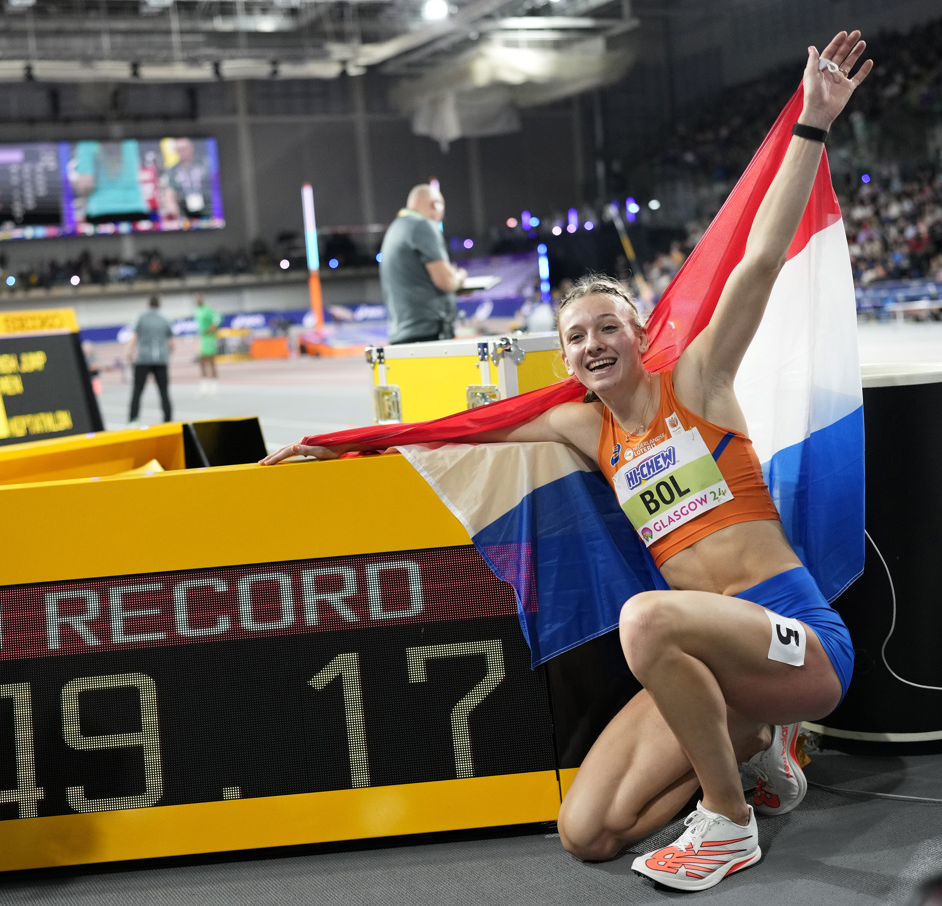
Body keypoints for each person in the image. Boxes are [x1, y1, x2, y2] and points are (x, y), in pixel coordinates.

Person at [263, 32, 871, 891]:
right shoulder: (584, 429)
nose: (593, 343)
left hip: (795, 643)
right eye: (576, 336)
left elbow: (760, 260)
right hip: (704, 668)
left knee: (644, 620)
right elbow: (461, 431)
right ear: (567, 361)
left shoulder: (698, 381)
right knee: (588, 832)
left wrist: (812, 123)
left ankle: (730, 820)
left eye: (608, 326)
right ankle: (745, 747)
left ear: (641, 334)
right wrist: (335, 445)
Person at [379, 184, 468, 344]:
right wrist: (460, 278)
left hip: (403, 333)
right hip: (427, 332)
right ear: (434, 204)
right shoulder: (421, 226)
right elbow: (446, 281)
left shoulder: (395, 228)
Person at [127, 295, 174, 426]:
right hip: (160, 360)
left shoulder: (142, 318)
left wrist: (129, 352)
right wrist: (167, 355)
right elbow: (171, 343)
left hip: (143, 359)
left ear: (149, 304)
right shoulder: (165, 320)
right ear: (159, 305)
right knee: (164, 392)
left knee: (137, 391)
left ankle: (133, 420)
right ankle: (168, 420)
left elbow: (134, 338)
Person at [194, 293, 222, 395]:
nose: (197, 301)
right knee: (202, 361)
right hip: (202, 339)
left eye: (198, 298)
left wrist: (210, 329)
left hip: (209, 338)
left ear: (202, 299)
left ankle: (214, 383)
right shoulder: (197, 311)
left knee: (211, 361)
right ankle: (204, 382)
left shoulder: (208, 309)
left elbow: (217, 319)